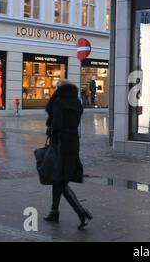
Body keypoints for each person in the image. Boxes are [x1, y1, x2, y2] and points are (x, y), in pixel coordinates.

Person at [44, 79, 93, 230]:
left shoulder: (59, 101)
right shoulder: (77, 102)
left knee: (60, 180)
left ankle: (80, 211)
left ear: (59, 88)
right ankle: (54, 211)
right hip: (73, 142)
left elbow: (57, 124)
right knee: (58, 177)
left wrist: (51, 129)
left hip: (60, 143)